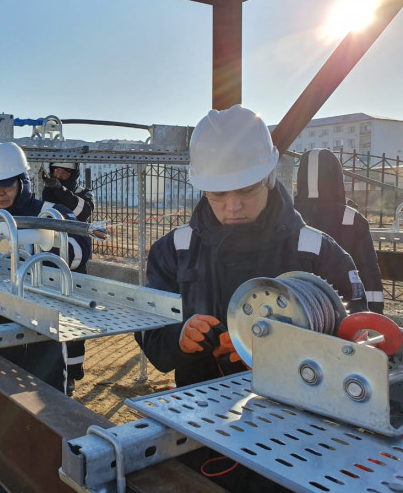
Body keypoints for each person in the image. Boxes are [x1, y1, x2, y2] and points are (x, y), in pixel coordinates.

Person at [134, 105, 368, 492]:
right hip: (200, 436)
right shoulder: (174, 251)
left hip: (298, 445)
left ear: (269, 176)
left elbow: (357, 349)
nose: (233, 206)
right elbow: (150, 332)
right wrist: (180, 338)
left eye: (246, 190)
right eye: (218, 194)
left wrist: (280, 351)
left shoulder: (315, 252)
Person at [0, 142, 91, 493]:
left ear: (23, 182)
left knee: (48, 414)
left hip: (42, 329)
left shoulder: (51, 212)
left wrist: (34, 240)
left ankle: (49, 479)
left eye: (6, 185)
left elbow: (80, 250)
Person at [294, 148, 384, 313]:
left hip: (297, 307)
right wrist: (374, 314)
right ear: (337, 177)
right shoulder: (352, 218)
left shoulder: (289, 215)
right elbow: (368, 269)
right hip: (347, 309)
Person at [41, 161, 95, 396]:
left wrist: (60, 190)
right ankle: (53, 370)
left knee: (75, 319)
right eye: (56, 172)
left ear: (73, 174)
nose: (59, 175)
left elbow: (83, 212)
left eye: (64, 173)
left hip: (76, 265)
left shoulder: (83, 193)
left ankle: (72, 374)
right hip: (49, 261)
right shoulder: (46, 193)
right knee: (50, 317)